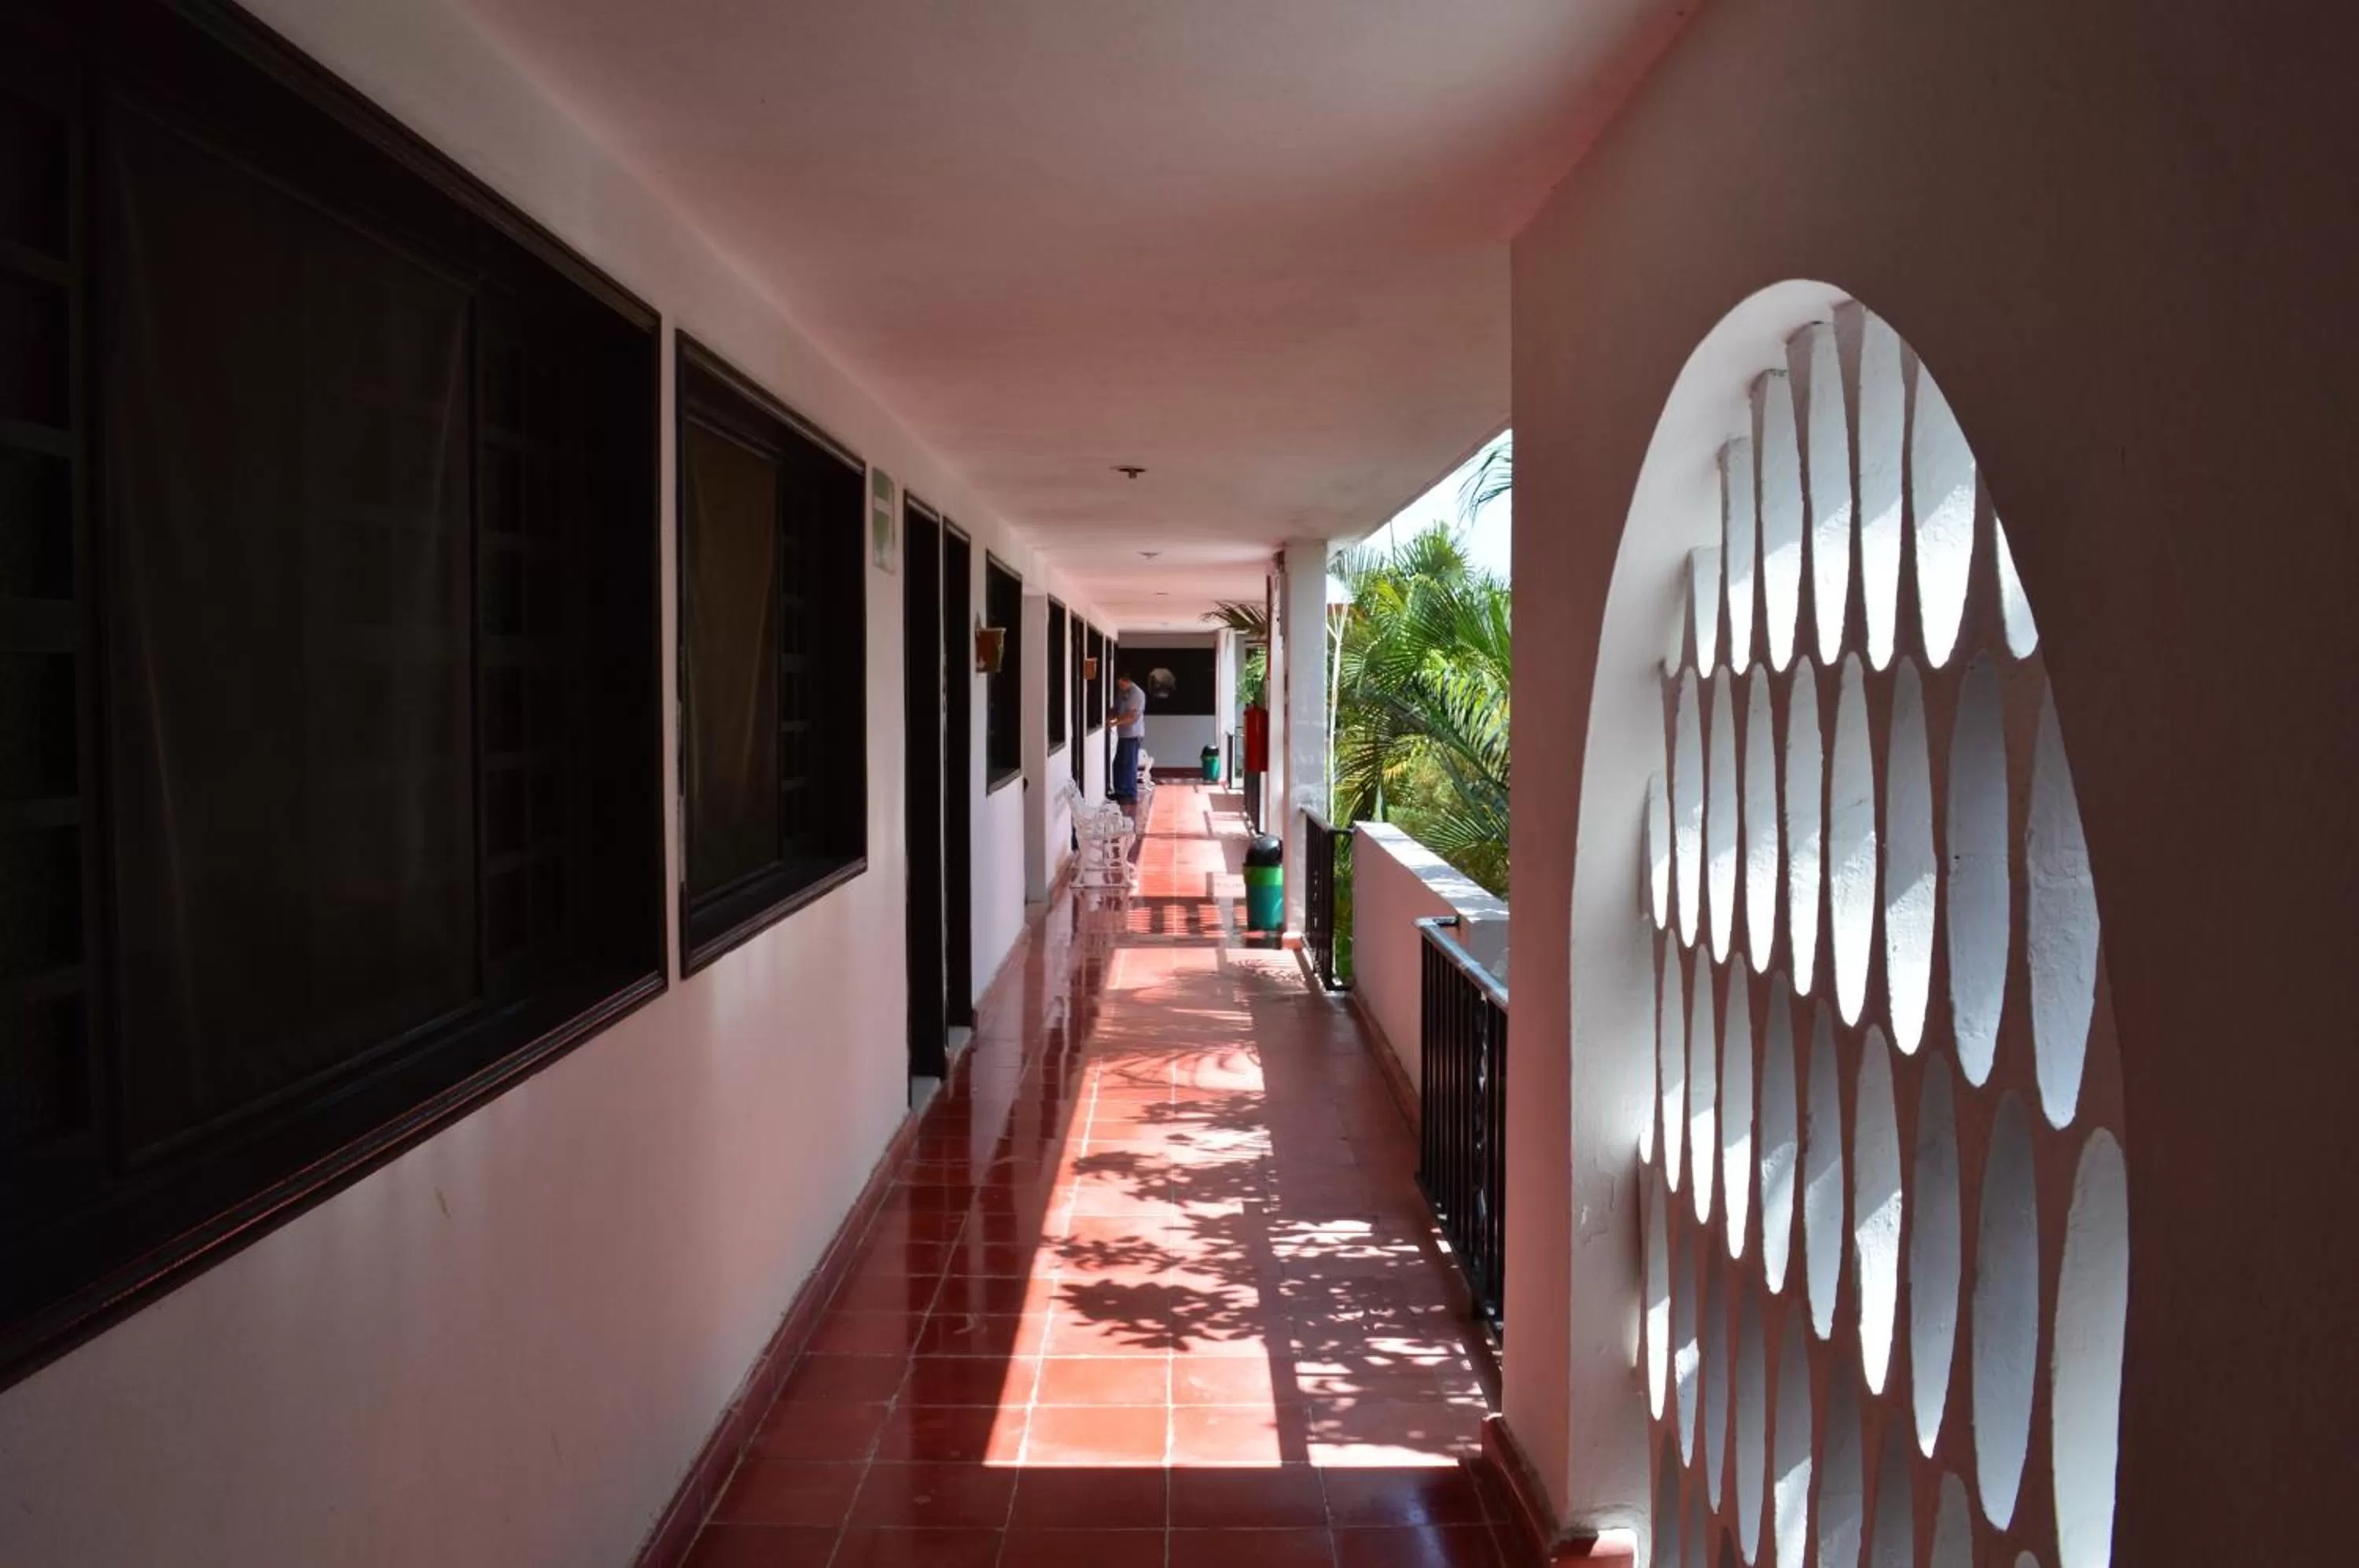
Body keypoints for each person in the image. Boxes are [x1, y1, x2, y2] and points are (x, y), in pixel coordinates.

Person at [1108, 672, 1147, 820]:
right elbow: (1116, 709)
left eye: (1121, 683)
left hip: (1132, 735)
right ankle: (1120, 792)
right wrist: (1109, 717)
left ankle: (1129, 795)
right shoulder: (1122, 692)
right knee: (1119, 763)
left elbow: (1131, 716)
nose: (1119, 686)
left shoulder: (1136, 694)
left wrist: (1114, 723)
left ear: (1127, 681)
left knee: (1129, 764)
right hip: (1123, 734)